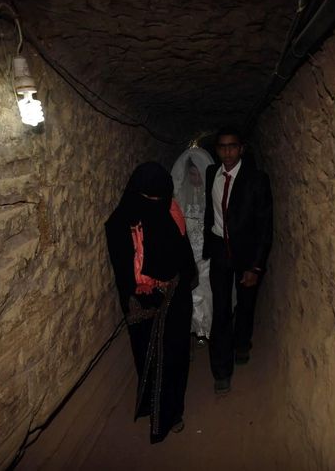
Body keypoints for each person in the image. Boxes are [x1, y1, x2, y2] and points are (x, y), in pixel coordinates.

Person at [105, 162, 197, 443]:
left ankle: (170, 414)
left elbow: (183, 255)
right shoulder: (121, 222)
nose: (155, 203)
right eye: (149, 199)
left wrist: (172, 282)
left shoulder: (171, 211)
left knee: (173, 357)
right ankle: (151, 404)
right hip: (142, 302)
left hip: (175, 299)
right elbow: (123, 268)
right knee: (147, 355)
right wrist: (143, 288)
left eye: (160, 197)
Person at [202, 127, 273, 394]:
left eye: (232, 146)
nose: (227, 152)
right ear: (216, 150)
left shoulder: (257, 179)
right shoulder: (212, 174)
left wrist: (256, 266)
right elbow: (211, 210)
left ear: (242, 148)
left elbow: (265, 226)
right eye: (222, 147)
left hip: (246, 251)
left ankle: (242, 343)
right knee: (220, 311)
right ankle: (221, 371)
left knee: (245, 303)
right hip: (220, 249)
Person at [170, 146, 215, 346]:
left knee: (205, 291)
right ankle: (191, 327)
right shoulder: (180, 195)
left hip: (206, 252)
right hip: (188, 251)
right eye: (192, 173)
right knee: (189, 291)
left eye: (199, 174)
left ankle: (205, 329)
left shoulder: (211, 194)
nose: (195, 178)